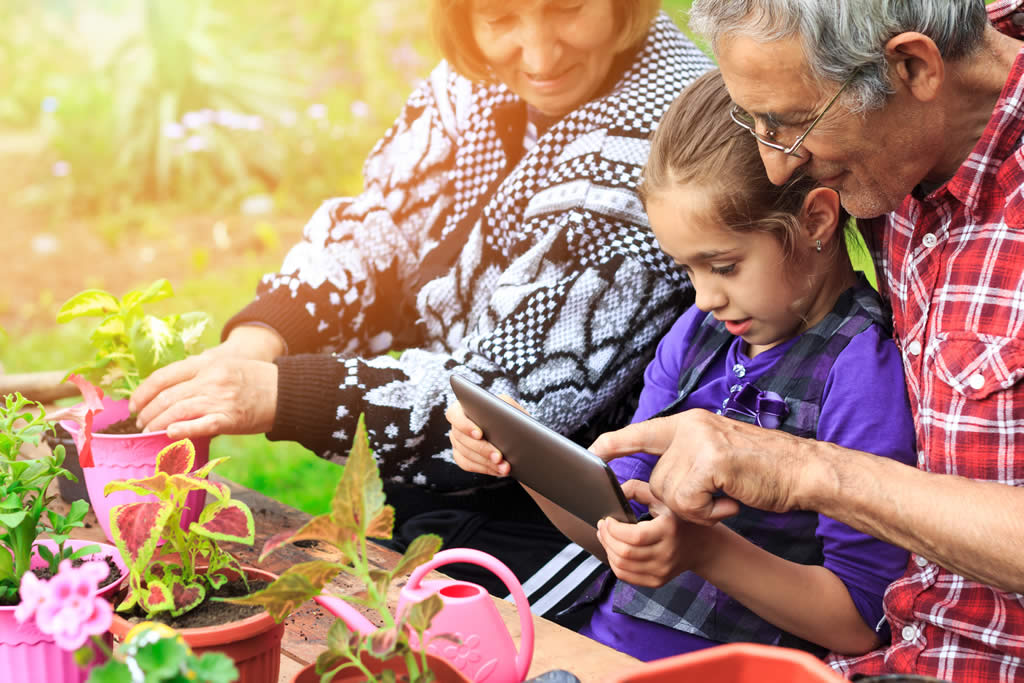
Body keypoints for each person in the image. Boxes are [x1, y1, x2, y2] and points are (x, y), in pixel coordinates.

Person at [127, 1, 713, 609]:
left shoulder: (661, 146)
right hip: (436, 499)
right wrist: (259, 337)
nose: (539, 56)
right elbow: (385, 220)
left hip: (566, 536)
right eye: (501, 20)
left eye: (568, 9)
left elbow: (507, 402)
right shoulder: (475, 80)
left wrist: (275, 394)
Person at [587, 1, 1024, 679]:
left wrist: (806, 467)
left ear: (913, 67)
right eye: (754, 122)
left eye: (787, 127)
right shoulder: (905, 128)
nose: (777, 169)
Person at [448, 69, 917, 660]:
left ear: (816, 221)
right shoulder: (699, 333)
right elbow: (614, 527)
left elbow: (859, 620)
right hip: (598, 646)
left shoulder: (859, 372)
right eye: (687, 269)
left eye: (722, 266)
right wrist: (520, 455)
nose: (704, 298)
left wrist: (707, 551)